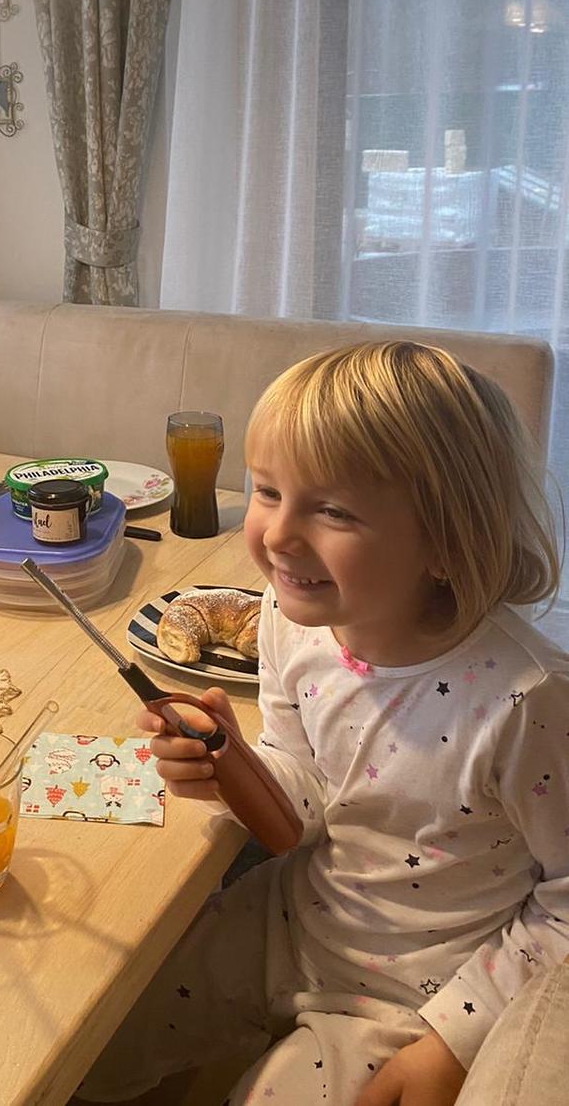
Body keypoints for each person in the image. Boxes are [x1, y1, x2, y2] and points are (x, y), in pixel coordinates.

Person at [80, 342, 568, 1106]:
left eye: (332, 510)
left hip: (413, 996)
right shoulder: (289, 618)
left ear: (447, 541)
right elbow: (303, 783)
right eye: (268, 491)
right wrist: (229, 766)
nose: (277, 535)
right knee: (97, 1031)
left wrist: (453, 1040)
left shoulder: (528, 698)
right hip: (290, 921)